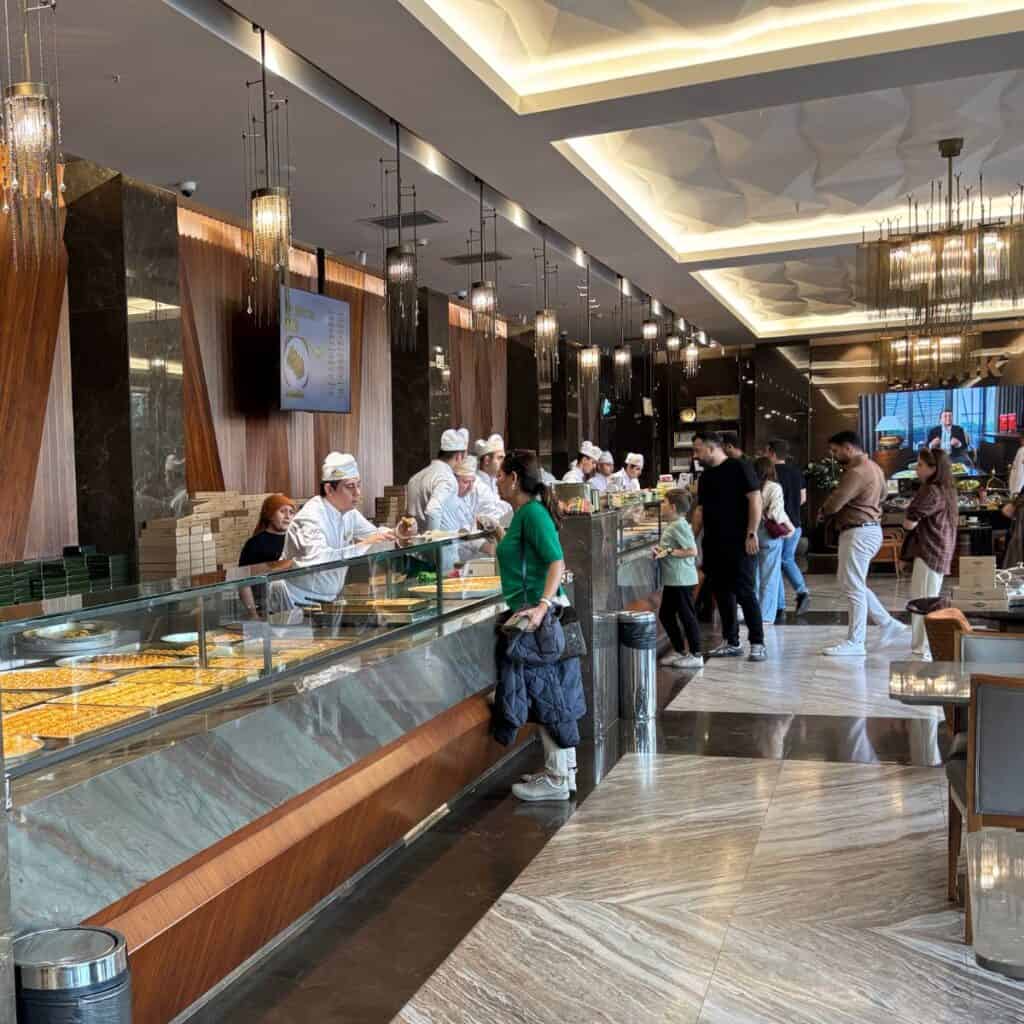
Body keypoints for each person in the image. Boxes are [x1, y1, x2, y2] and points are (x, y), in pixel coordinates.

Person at [491, 450, 583, 802]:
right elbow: (523, 559)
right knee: (554, 690)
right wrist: (499, 533)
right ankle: (563, 770)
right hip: (535, 612)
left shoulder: (532, 514)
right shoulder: (522, 515)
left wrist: (541, 607)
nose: (497, 481)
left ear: (514, 478)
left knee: (550, 694)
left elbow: (555, 561)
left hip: (541, 618)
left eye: (500, 475)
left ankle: (558, 778)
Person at [283, 452, 414, 606]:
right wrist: (364, 544)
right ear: (329, 489)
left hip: (331, 599)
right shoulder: (309, 518)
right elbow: (320, 560)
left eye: (358, 485)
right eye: (350, 487)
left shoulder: (349, 513)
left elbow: (374, 535)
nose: (357, 493)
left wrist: (398, 532)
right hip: (298, 601)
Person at [819, 431, 909, 656]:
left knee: (853, 587)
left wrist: (824, 509)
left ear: (848, 447)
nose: (833, 455)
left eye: (835, 450)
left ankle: (856, 642)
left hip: (858, 532)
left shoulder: (856, 472)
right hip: (868, 530)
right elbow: (883, 496)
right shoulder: (875, 468)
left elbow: (835, 503)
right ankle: (887, 623)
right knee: (852, 583)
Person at [691, 432, 766, 661]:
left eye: (698, 450)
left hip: (740, 541)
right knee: (722, 593)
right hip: (714, 542)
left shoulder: (739, 467)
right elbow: (700, 510)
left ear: (712, 448)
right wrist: (690, 538)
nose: (695, 455)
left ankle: (757, 642)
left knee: (744, 590)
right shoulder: (705, 478)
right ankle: (731, 640)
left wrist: (751, 532)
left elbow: (755, 499)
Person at [902, 448, 958, 657]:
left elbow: (909, 523)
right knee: (928, 596)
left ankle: (923, 645)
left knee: (922, 600)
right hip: (939, 549)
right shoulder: (946, 489)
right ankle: (923, 644)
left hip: (929, 551)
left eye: (920, 465)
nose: (917, 468)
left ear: (934, 468)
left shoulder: (931, 491)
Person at [654, 489, 702, 669]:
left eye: (664, 502)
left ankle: (696, 654)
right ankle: (679, 650)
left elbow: (692, 550)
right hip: (674, 580)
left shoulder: (679, 525)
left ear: (673, 507)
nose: (661, 506)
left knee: (687, 616)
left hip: (682, 580)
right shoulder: (674, 524)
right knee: (666, 615)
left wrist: (668, 552)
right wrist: (662, 551)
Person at [767, 438, 810, 616]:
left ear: (772, 453)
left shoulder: (770, 473)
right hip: (795, 525)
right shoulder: (796, 472)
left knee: (776, 563)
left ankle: (782, 605)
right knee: (786, 559)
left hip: (777, 525)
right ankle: (797, 594)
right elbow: (802, 499)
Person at [753, 456, 792, 626]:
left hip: (752, 532)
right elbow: (776, 514)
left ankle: (751, 612)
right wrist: (789, 526)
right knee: (769, 576)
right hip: (768, 533)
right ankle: (766, 616)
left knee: (754, 575)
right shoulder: (774, 487)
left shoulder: (750, 487)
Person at [406, 428, 468, 532]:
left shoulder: (414, 478)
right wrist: (433, 542)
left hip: (418, 545)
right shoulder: (447, 478)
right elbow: (432, 510)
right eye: (464, 457)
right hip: (441, 546)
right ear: (458, 456)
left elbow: (409, 518)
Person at [239, 493, 296, 566]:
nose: (288, 516)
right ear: (270, 515)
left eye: (291, 512)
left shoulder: (296, 539)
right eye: (282, 511)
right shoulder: (255, 544)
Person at [474, 434, 512, 524]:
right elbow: (495, 517)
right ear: (487, 460)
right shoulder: (476, 485)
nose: (503, 462)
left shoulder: (495, 482)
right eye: (500, 458)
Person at [1009, 431, 1024, 496]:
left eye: (1021, 438)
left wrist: (1015, 491)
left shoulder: (1022, 451)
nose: (1020, 439)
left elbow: (1019, 474)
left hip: (1018, 490)